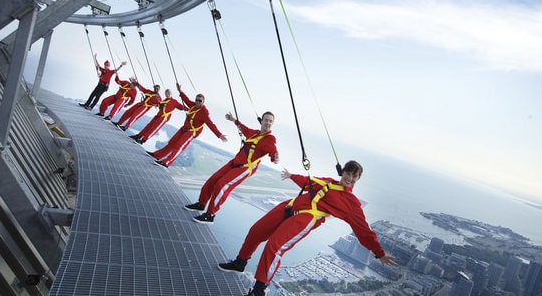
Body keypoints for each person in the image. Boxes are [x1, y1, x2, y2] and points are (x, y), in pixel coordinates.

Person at [217, 160, 397, 296]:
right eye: (348, 173)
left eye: (354, 176)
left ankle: (258, 289)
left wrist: (378, 252)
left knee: (274, 246)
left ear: (357, 179)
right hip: (290, 206)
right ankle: (240, 262)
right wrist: (292, 176)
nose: (349, 178)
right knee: (256, 231)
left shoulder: (352, 203)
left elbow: (363, 229)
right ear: (343, 172)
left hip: (306, 218)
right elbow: (310, 181)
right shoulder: (329, 182)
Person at [186, 111, 279, 224]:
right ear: (262, 121)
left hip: (245, 168)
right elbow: (243, 128)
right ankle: (201, 204)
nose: (268, 123)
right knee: (213, 180)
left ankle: (210, 215)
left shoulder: (270, 139)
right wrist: (233, 119)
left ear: (272, 123)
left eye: (270, 121)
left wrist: (275, 158)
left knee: (221, 185)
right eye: (266, 120)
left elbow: (273, 151)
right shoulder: (254, 133)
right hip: (235, 162)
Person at [149, 83, 227, 167]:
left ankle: (166, 162)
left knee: (179, 146)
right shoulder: (193, 105)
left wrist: (219, 135)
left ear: (203, 102)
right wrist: (180, 91)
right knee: (172, 142)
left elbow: (211, 125)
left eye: (200, 101)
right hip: (184, 128)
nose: (197, 102)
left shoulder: (204, 112)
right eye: (196, 100)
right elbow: (186, 100)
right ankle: (157, 155)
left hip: (192, 132)